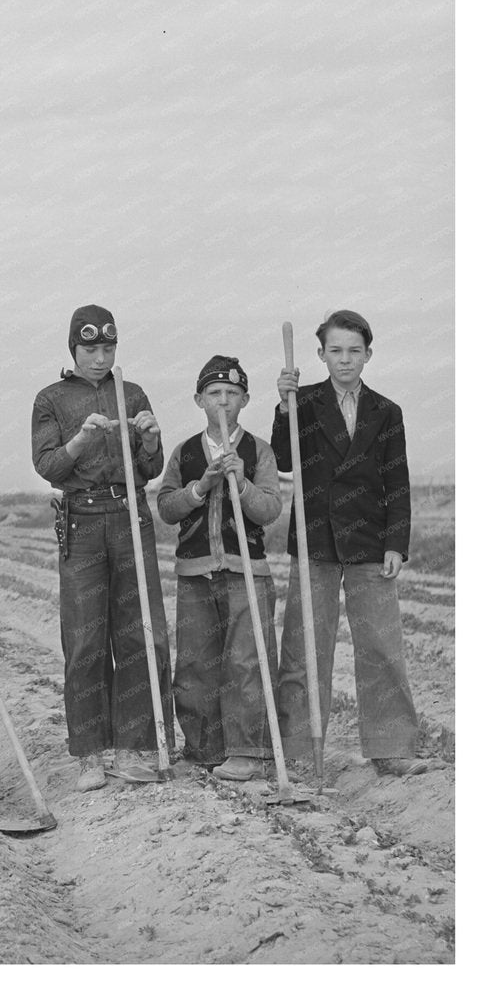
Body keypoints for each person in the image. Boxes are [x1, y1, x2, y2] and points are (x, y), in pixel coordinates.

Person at [271, 310, 429, 777]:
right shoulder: (301, 402)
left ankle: (393, 749)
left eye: (354, 351)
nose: (345, 360)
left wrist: (395, 544)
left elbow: (397, 482)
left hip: (369, 541)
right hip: (315, 539)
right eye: (335, 351)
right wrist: (284, 407)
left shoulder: (387, 411)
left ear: (368, 355)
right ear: (320, 354)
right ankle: (299, 752)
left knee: (381, 645)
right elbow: (282, 459)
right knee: (304, 649)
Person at [30, 304, 172, 792]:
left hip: (131, 514)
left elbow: (150, 469)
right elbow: (48, 466)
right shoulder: (51, 398)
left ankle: (137, 747)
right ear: (73, 348)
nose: (99, 357)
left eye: (107, 348)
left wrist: (151, 441)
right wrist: (81, 441)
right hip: (82, 519)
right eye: (90, 348)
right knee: (86, 639)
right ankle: (90, 754)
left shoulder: (130, 393)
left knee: (140, 632)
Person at [156, 357, 283, 782]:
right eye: (214, 394)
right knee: (195, 663)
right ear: (199, 400)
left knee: (247, 662)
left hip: (246, 572)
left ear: (245, 400)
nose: (223, 402)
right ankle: (204, 749)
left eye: (232, 394)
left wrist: (242, 483)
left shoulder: (258, 450)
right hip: (194, 574)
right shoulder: (186, 452)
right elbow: (167, 508)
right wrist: (201, 486)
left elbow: (268, 510)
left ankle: (248, 751)